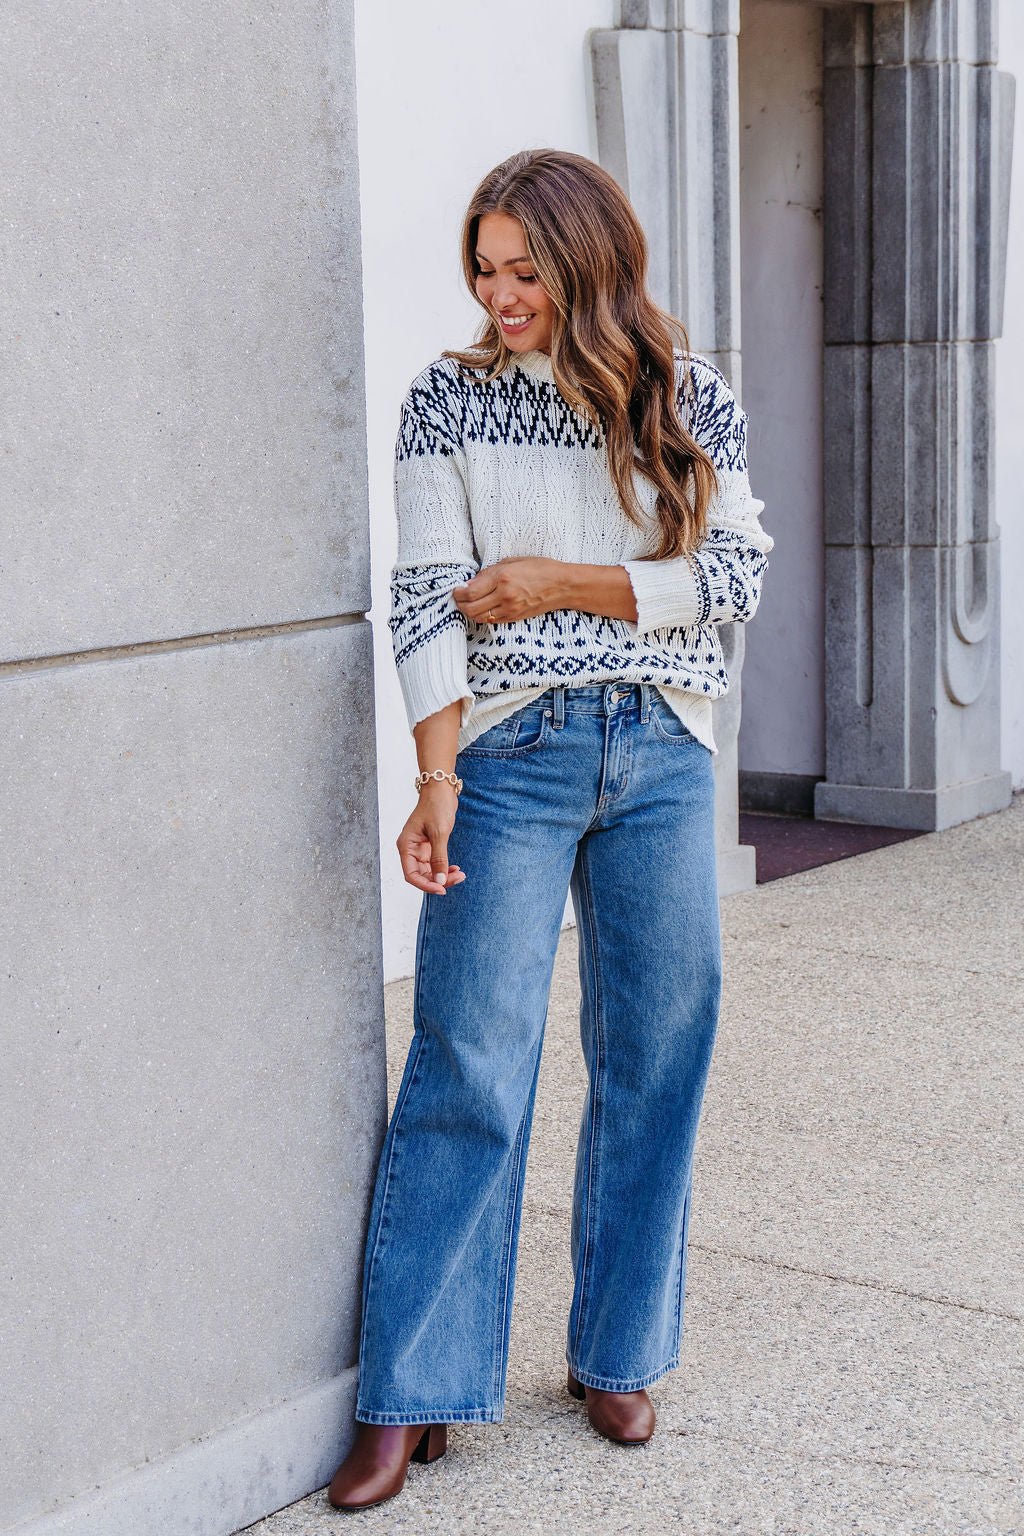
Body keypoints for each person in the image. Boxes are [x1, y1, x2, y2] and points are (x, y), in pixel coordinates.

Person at [327, 147, 773, 1512]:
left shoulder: (685, 399)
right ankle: (414, 1394)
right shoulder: (448, 403)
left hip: (660, 750)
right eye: (485, 265)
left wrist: (557, 583)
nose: (498, 291)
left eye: (525, 269)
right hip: (507, 758)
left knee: (656, 1053)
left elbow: (738, 573)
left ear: (589, 266)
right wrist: (435, 781)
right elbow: (420, 599)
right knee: (471, 1058)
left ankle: (618, 1355)